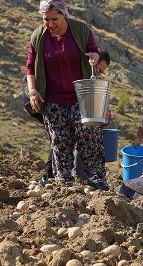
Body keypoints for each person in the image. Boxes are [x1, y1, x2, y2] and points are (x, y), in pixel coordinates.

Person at [25, 0, 108, 190]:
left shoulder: (80, 30)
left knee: (88, 133)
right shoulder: (38, 37)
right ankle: (64, 183)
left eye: (55, 19)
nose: (50, 23)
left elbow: (94, 51)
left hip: (80, 96)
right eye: (46, 19)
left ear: (64, 15)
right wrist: (33, 91)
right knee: (59, 139)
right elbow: (30, 66)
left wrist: (94, 58)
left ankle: (96, 177)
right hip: (52, 98)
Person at [37, 51, 111, 185]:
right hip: (45, 101)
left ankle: (56, 175)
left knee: (63, 137)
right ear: (92, 61)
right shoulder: (76, 72)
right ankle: (52, 176)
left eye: (101, 72)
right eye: (98, 69)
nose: (98, 74)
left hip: (65, 106)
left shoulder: (89, 79)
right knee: (61, 136)